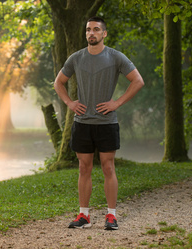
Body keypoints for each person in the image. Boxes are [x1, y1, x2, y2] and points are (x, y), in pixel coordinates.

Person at [54, 16, 144, 230]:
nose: (91, 33)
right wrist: (69, 102)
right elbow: (58, 82)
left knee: (108, 167)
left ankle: (111, 216)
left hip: (106, 123)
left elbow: (138, 81)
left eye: (96, 30)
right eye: (88, 30)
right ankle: (83, 216)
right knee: (84, 168)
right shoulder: (76, 58)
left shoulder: (115, 57)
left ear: (104, 34)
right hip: (82, 122)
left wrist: (117, 103)